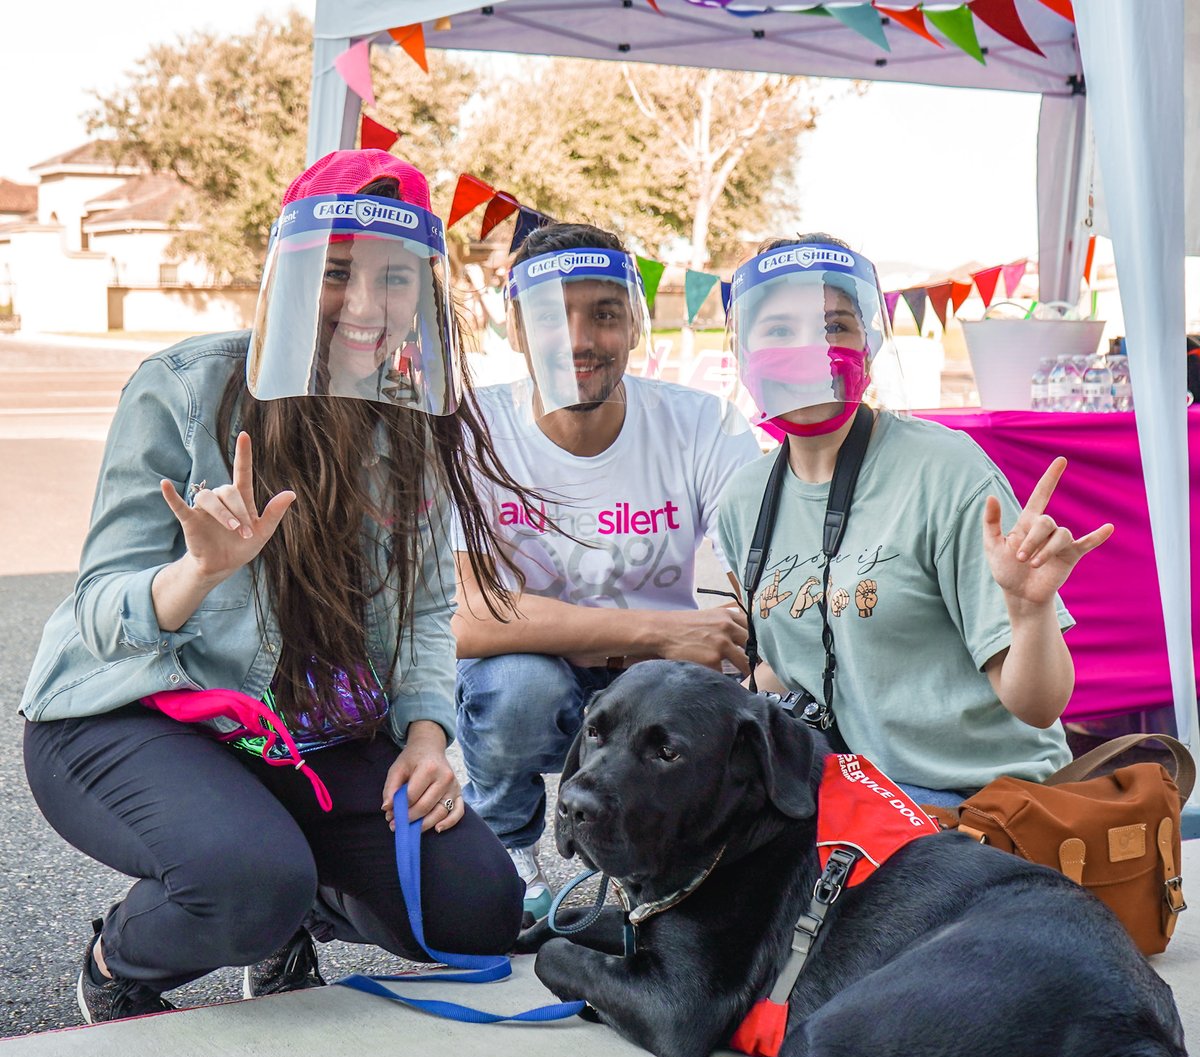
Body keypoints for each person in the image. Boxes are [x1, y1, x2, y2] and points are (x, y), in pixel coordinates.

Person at [21, 149, 543, 1023]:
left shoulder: (410, 414)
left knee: (481, 908)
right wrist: (197, 573)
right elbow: (101, 612)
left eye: (395, 280)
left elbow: (422, 611)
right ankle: (121, 959)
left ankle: (290, 907)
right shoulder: (188, 388)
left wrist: (424, 739)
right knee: (244, 881)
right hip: (133, 712)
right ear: (288, 275)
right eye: (337, 273)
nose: (367, 306)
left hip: (305, 740)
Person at [716, 234, 1114, 808]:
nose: (812, 349)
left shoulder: (945, 469)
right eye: (780, 330)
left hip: (978, 799)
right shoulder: (744, 500)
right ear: (744, 351)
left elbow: (1038, 705)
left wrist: (1030, 613)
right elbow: (789, 667)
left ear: (870, 345)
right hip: (853, 789)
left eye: (835, 327)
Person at [451, 222, 761, 921]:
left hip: (647, 683)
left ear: (634, 326)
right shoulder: (472, 430)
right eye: (552, 315)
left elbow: (763, 572)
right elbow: (470, 619)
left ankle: (665, 852)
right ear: (515, 328)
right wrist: (661, 633)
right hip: (549, 669)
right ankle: (504, 838)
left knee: (710, 696)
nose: (581, 339)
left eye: (605, 314)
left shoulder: (704, 425)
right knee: (516, 686)